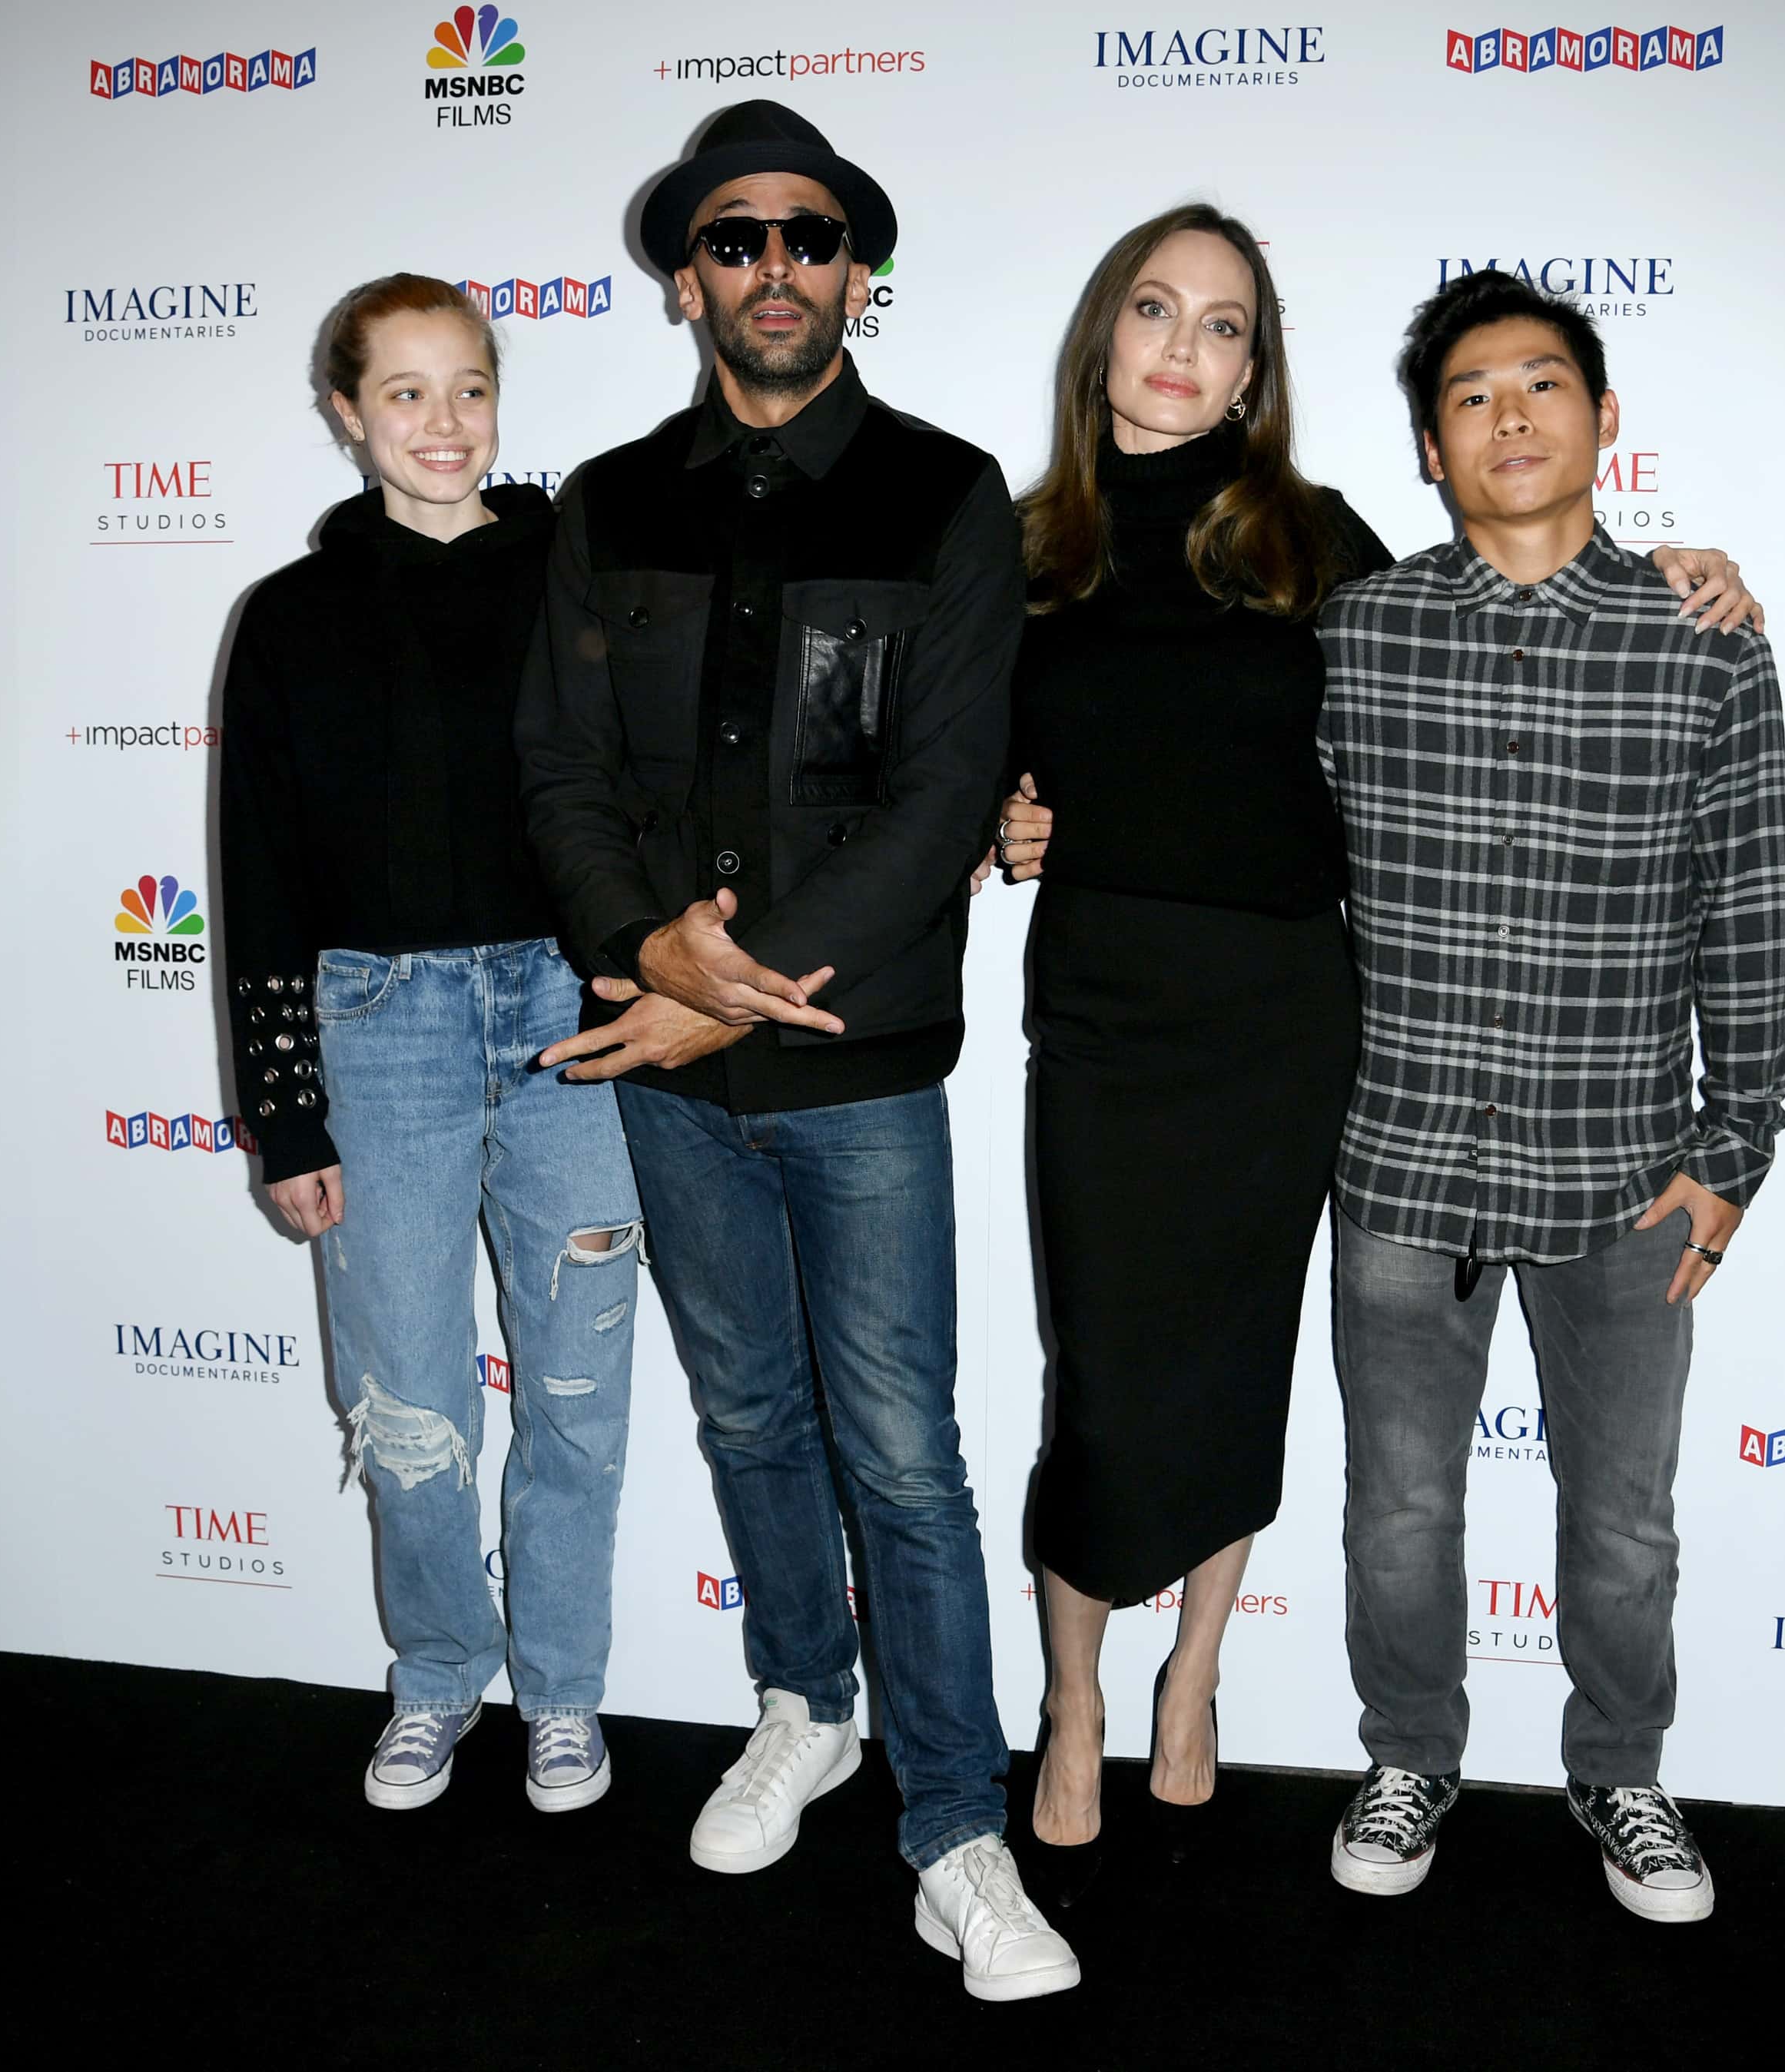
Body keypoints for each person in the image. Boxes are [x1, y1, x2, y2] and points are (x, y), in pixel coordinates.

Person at [996, 213, 1760, 1891]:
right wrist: (1002, 808)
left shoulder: (1306, 542)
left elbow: (1714, 864)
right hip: (1144, 1025)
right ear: (1104, 335)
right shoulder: (1024, 548)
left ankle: (1213, 1677)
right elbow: (948, 747)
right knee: (1125, 1382)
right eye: (1154, 311)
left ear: (1259, 370)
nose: (1184, 348)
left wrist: (1694, 571)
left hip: (1299, 1031)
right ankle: (1088, 1701)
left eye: (1226, 326)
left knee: (1277, 1379)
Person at [514, 101, 1079, 2002]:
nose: (778, 267)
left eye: (813, 236)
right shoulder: (602, 502)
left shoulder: (946, 493)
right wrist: (639, 955)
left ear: (858, 270)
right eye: (737, 238)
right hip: (670, 1071)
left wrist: (721, 983)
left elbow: (934, 808)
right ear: (692, 274)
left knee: (905, 1453)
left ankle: (953, 1825)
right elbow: (563, 774)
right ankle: (800, 1700)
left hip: (853, 1063)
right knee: (749, 1418)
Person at [1312, 267, 1785, 1922]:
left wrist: (1737, 1147)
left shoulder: (1705, 638)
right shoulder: (1361, 631)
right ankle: (1408, 1749)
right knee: (1397, 1509)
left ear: (1602, 420)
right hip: (1401, 1163)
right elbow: (1231, 832)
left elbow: (1751, 908)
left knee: (1624, 1523)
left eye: (1542, 384)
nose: (1509, 415)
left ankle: (1622, 1767)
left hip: (1624, 1174)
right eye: (1470, 395)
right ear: (1431, 449)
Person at [218, 274, 645, 1819]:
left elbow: (640, 805)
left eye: (469, 387)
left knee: (580, 1388)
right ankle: (439, 1672)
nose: (443, 422)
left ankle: (567, 1688)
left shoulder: (576, 588)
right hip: (377, 1028)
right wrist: (286, 1116)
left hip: (569, 1019)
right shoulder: (290, 616)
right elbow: (258, 868)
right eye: (406, 392)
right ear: (348, 410)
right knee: (410, 1400)